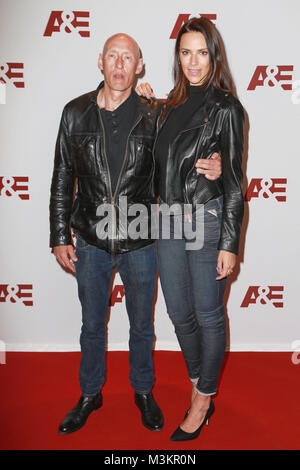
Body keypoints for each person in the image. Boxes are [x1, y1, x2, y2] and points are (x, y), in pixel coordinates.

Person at [49, 32, 222, 435]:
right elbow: (62, 177)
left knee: (142, 325)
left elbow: (188, 147)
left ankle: (143, 391)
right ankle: (90, 394)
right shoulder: (74, 113)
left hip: (141, 238)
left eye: (128, 58)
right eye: (113, 56)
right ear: (100, 61)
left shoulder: (155, 113)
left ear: (139, 66)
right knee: (92, 324)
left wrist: (218, 164)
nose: (120, 65)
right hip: (90, 238)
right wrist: (60, 233)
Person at [136, 17, 245, 442]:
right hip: (165, 218)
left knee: (208, 311)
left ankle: (201, 398)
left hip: (204, 217)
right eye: (185, 52)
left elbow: (235, 180)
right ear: (177, 56)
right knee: (178, 312)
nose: (193, 61)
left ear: (213, 56)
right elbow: (155, 155)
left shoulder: (226, 109)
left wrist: (231, 243)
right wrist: (145, 102)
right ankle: (202, 379)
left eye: (201, 52)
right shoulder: (167, 106)